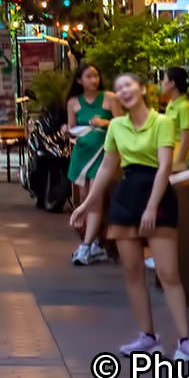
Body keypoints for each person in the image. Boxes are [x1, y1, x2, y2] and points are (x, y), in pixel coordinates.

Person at [71, 72, 189, 359]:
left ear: (142, 89)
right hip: (127, 195)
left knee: (168, 272)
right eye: (118, 89)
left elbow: (164, 166)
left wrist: (152, 206)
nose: (124, 91)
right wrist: (87, 204)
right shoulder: (116, 125)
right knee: (132, 271)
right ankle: (148, 336)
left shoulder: (162, 121)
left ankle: (185, 340)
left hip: (157, 193)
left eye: (128, 85)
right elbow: (107, 168)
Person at [66, 64, 118, 265]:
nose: (93, 80)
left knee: (95, 200)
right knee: (84, 199)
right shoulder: (73, 102)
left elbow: (123, 123)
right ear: (79, 80)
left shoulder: (110, 98)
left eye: (95, 76)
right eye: (88, 76)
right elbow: (72, 129)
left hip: (103, 153)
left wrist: (104, 123)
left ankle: (86, 245)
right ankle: (95, 242)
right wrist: (66, 130)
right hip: (82, 153)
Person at [160, 67, 189, 171]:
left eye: (164, 80)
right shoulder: (171, 104)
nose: (161, 83)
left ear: (172, 83)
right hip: (168, 151)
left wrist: (178, 162)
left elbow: (186, 139)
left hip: (177, 154)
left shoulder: (185, 107)